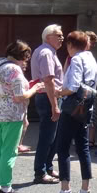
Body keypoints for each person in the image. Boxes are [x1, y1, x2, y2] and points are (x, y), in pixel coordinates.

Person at [0, 40, 43, 193]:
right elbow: (19, 96)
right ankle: (6, 188)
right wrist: (35, 88)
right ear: (22, 56)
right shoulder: (15, 70)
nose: (26, 61)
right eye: (26, 58)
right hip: (12, 116)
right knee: (9, 151)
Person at [48, 31, 97, 193]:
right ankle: (85, 190)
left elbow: (73, 86)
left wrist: (59, 92)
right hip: (87, 107)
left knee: (62, 148)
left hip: (72, 108)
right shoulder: (91, 58)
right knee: (83, 148)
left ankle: (65, 190)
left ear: (70, 45)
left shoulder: (76, 59)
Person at [31, 25, 65, 184]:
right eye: (58, 35)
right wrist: (54, 105)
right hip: (48, 97)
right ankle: (40, 172)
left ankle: (48, 167)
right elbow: (49, 80)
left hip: (48, 96)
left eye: (62, 35)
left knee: (54, 136)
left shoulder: (47, 51)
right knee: (47, 136)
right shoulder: (46, 53)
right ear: (47, 37)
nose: (61, 38)